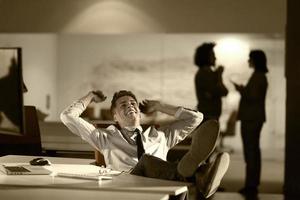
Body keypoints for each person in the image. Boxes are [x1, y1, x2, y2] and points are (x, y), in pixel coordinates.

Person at [61, 90, 230, 198]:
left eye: (133, 103)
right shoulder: (104, 137)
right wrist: (90, 96)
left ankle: (194, 174)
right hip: (126, 189)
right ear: (115, 117)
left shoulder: (161, 135)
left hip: (164, 190)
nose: (130, 106)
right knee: (146, 160)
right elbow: (68, 116)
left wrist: (159, 106)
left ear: (140, 114)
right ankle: (199, 175)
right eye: (123, 105)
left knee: (151, 163)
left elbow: (196, 118)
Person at [232, 50, 268, 196]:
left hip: (251, 118)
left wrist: (241, 89)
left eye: (250, 58)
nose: (248, 61)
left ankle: (251, 185)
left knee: (251, 151)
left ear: (255, 60)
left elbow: (252, 96)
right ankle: (252, 183)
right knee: (253, 151)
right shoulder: (260, 77)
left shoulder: (258, 77)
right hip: (255, 118)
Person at [194, 42, 228, 122]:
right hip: (208, 117)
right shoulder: (203, 74)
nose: (215, 58)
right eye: (212, 55)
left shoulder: (210, 74)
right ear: (206, 57)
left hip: (211, 116)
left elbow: (223, 91)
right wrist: (219, 76)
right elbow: (223, 91)